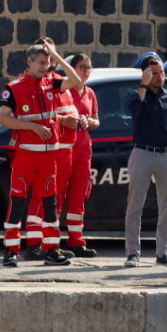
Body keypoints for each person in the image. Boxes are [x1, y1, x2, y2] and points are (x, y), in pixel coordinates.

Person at [0, 40, 83, 268]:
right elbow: (3, 118)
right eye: (40, 62)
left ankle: (52, 249)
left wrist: (57, 55)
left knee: (49, 205)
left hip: (50, 157)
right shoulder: (14, 87)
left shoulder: (52, 82)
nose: (44, 67)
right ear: (29, 61)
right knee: (16, 203)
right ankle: (10, 251)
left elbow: (75, 81)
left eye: (47, 62)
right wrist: (34, 128)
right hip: (26, 155)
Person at [123, 52, 167, 268]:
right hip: (143, 152)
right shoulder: (136, 94)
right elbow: (135, 112)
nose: (160, 77)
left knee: (166, 207)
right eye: (154, 73)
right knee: (135, 205)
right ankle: (133, 253)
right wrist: (143, 85)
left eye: (162, 73)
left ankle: (162, 253)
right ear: (146, 75)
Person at [56, 52, 99, 257]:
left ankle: (76, 241)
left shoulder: (90, 93)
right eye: (82, 67)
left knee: (79, 195)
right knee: (58, 194)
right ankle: (52, 241)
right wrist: (66, 120)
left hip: (84, 149)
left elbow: (97, 120)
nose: (86, 71)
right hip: (65, 147)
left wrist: (89, 121)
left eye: (88, 67)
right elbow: (50, 115)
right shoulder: (64, 89)